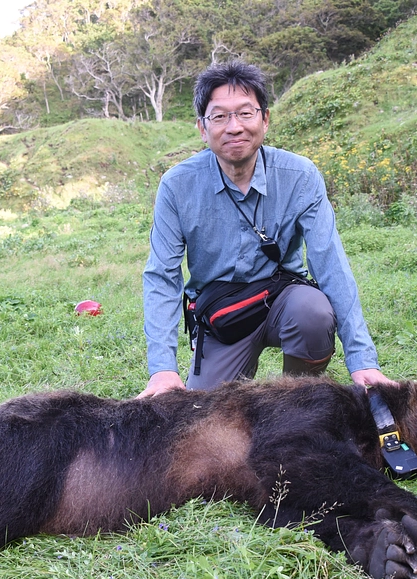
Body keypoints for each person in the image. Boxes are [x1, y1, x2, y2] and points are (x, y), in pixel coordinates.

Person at [139, 61, 391, 398]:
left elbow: (329, 264)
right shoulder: (178, 185)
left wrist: (361, 359)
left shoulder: (300, 176)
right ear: (202, 128)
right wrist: (162, 368)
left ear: (265, 119)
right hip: (222, 315)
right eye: (219, 116)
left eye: (245, 113)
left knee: (312, 313)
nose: (234, 127)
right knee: (206, 417)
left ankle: (298, 401)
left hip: (284, 299)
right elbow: (162, 276)